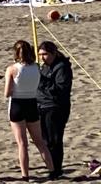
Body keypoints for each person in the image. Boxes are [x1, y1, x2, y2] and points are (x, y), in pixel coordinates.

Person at [3, 40, 55, 179]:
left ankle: (25, 174)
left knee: (22, 143)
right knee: (39, 142)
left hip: (17, 105)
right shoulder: (36, 67)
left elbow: (7, 93)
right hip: (32, 103)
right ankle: (52, 170)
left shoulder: (12, 69)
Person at [37, 41, 72, 176]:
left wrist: (42, 81)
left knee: (54, 140)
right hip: (41, 106)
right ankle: (51, 167)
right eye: (40, 54)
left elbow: (61, 89)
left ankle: (56, 169)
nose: (42, 57)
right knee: (45, 140)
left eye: (45, 54)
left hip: (56, 107)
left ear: (53, 53)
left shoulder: (62, 67)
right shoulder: (44, 67)